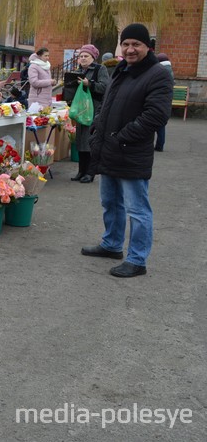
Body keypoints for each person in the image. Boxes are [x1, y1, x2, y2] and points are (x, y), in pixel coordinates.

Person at [82, 23, 174, 278]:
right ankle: (112, 245)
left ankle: (137, 259)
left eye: (136, 44)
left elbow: (155, 117)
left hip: (130, 152)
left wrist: (121, 138)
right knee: (110, 202)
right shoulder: (121, 70)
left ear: (148, 47)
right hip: (110, 148)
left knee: (137, 210)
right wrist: (98, 126)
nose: (130, 49)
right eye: (126, 44)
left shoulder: (158, 75)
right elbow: (108, 105)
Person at [67, 44, 110, 184]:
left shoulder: (100, 69)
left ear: (93, 57)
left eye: (86, 56)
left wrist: (89, 84)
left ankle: (90, 173)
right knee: (80, 140)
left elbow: (105, 87)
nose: (83, 58)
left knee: (90, 141)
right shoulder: (78, 71)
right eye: (81, 56)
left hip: (94, 108)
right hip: (81, 109)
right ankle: (81, 171)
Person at [154, 53, 174, 151]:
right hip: (166, 101)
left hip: (158, 101)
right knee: (161, 125)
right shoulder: (169, 69)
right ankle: (160, 145)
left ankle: (158, 146)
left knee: (155, 124)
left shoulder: (161, 71)